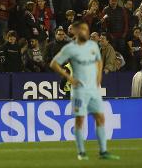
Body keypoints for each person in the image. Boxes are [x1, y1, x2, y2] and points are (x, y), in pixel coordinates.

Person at [50, 21, 120, 161]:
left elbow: (99, 62)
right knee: (80, 120)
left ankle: (103, 152)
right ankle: (81, 153)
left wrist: (98, 78)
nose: (85, 32)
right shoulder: (70, 48)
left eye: (86, 29)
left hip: (93, 89)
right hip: (79, 90)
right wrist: (69, 78)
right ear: (75, 32)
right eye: (82, 29)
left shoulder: (93, 46)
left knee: (100, 117)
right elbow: (54, 64)